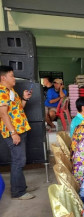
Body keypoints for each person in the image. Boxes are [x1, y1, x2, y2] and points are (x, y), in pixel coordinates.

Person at [0, 65, 35, 200]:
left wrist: (24, 99)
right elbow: (3, 114)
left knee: (20, 159)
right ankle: (18, 192)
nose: (14, 78)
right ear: (3, 78)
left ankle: (21, 186)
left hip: (20, 129)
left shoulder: (11, 90)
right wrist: (13, 133)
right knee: (18, 160)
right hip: (14, 132)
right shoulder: (2, 92)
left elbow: (18, 109)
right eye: (12, 75)